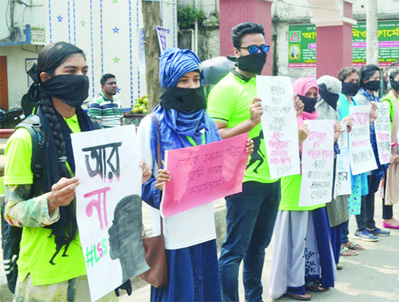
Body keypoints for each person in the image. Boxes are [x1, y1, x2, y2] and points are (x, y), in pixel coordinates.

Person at [3, 42, 126, 301]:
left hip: (97, 268)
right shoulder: (26, 138)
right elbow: (12, 213)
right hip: (48, 277)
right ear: (46, 79)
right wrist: (50, 202)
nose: (80, 78)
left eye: (84, 71)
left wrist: (133, 175)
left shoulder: (95, 131)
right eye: (70, 71)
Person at [138, 48, 253, 302]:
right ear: (169, 82)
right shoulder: (152, 125)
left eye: (196, 80)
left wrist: (238, 156)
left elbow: (219, 173)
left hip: (203, 226)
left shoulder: (205, 122)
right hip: (172, 233)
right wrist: (158, 186)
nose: (192, 86)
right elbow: (141, 183)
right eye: (183, 80)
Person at [207, 22, 303, 302]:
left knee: (259, 247)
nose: (259, 53)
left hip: (273, 178)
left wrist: (293, 111)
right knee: (234, 250)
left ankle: (254, 297)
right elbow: (214, 136)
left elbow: (278, 130)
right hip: (243, 181)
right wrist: (249, 122)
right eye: (252, 48)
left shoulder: (270, 86)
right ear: (236, 51)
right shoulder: (226, 89)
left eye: (264, 48)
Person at [269, 77, 338, 301]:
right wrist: (297, 138)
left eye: (313, 94)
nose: (310, 99)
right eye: (306, 94)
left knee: (312, 235)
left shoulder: (316, 119)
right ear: (295, 94)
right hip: (294, 184)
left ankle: (310, 276)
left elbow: (323, 152)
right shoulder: (287, 118)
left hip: (313, 185)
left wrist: (334, 137)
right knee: (295, 237)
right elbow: (280, 150)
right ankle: (292, 282)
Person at [315, 75, 353, 263]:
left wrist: (344, 128)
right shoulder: (313, 112)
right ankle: (326, 259)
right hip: (320, 173)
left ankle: (334, 256)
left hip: (336, 168)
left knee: (338, 213)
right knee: (327, 216)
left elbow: (337, 142)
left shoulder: (333, 111)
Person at [336, 67, 372, 248]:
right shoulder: (338, 101)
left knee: (352, 198)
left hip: (356, 157)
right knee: (343, 198)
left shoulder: (357, 104)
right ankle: (341, 240)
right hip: (343, 157)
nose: (355, 83)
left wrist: (369, 120)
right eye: (350, 80)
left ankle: (345, 238)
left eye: (357, 80)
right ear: (341, 81)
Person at [353, 64, 390, 238]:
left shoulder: (376, 97)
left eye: (379, 78)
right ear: (365, 79)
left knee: (373, 188)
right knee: (364, 190)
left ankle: (371, 224)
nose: (378, 81)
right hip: (364, 148)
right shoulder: (360, 99)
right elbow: (360, 125)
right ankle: (361, 227)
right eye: (374, 78)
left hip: (377, 150)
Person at [380, 69, 399, 228]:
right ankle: (387, 217)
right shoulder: (387, 101)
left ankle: (390, 215)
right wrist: (389, 152)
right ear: (391, 80)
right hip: (389, 148)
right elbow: (383, 128)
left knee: (395, 181)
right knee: (388, 182)